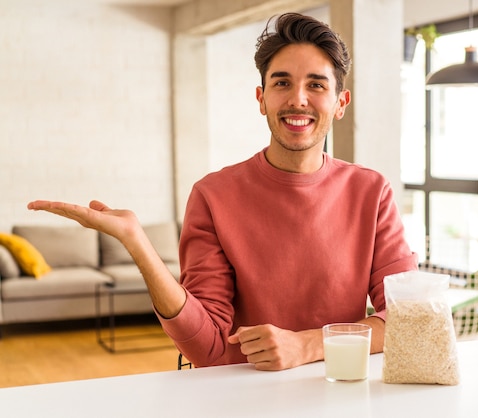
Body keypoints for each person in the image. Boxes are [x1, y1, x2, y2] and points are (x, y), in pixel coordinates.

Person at [27, 12, 417, 371]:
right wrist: (138, 243)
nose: (298, 98)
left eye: (316, 84)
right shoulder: (213, 196)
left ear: (340, 103)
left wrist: (309, 345)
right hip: (239, 396)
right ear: (261, 99)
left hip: (340, 390)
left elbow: (409, 315)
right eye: (282, 82)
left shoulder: (371, 192)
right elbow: (208, 347)